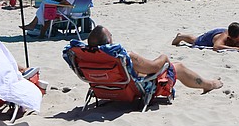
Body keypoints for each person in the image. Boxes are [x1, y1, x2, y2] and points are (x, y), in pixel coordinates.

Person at [89, 26, 222, 92]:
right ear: (108, 41)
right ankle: (209, 85)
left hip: (106, 88)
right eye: (111, 36)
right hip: (134, 89)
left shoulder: (89, 58)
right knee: (178, 67)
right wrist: (164, 57)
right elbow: (154, 67)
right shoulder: (124, 56)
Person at [172, 22, 239, 51]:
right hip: (210, 38)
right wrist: (237, 48)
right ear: (231, 37)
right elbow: (216, 47)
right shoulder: (223, 37)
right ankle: (181, 36)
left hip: (221, 31)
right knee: (196, 40)